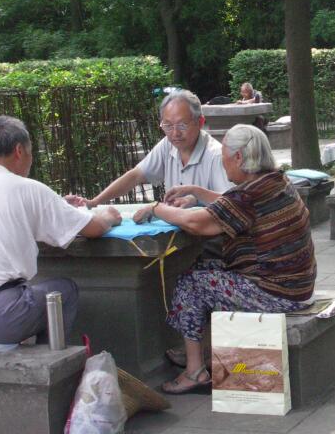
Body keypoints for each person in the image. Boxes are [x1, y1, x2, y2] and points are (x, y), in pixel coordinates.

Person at [135, 124, 316, 393]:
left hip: (276, 292)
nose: (224, 166)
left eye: (224, 160)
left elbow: (199, 225)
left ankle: (195, 371)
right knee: (200, 266)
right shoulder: (274, 181)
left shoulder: (248, 194)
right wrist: (197, 192)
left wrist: (156, 208)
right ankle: (199, 349)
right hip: (296, 285)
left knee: (191, 283)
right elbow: (227, 202)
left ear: (239, 158)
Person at [0, 116, 123, 344]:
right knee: (64, 291)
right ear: (19, 151)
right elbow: (93, 228)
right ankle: (49, 369)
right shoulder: (28, 189)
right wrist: (108, 216)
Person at [67, 89, 232, 214]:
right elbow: (135, 175)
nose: (175, 133)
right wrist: (94, 202)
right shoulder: (168, 145)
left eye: (182, 125)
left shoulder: (216, 155)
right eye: (167, 125)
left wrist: (196, 198)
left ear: (200, 122)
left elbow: (231, 204)